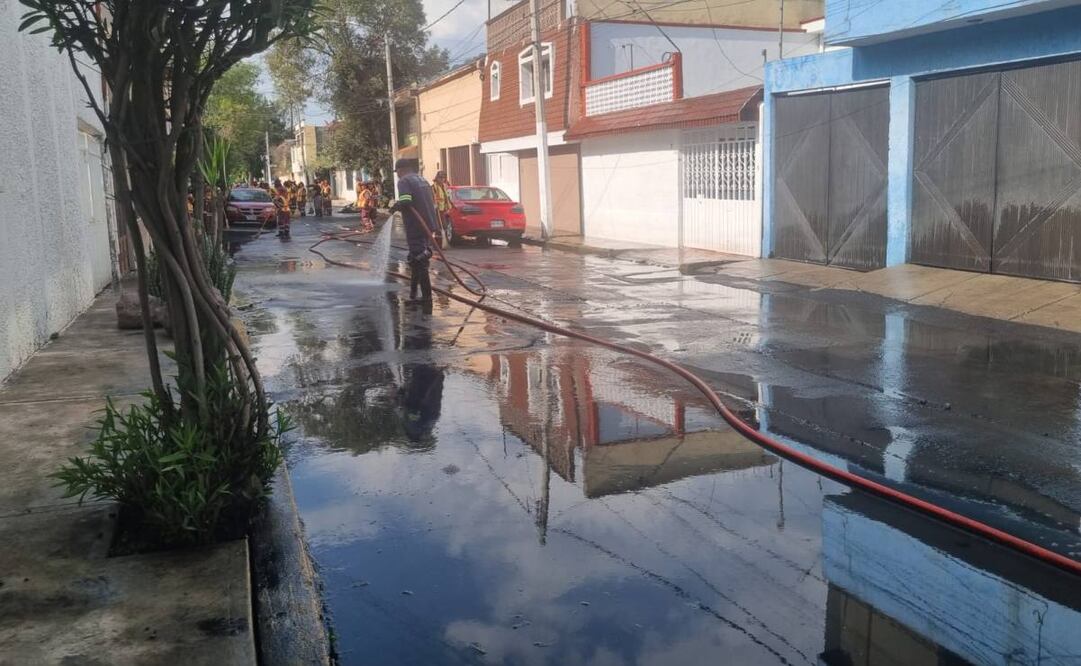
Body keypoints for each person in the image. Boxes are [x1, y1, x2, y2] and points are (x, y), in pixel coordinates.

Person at [389, 158, 441, 305]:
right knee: (415, 259)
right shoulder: (421, 179)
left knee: (419, 260)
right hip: (428, 223)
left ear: (401, 170)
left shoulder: (404, 181)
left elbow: (406, 200)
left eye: (397, 172)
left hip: (416, 225)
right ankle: (413, 295)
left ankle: (426, 298)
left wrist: (396, 206)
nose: (397, 175)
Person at [432, 171, 452, 246]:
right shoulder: (434, 187)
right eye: (440, 178)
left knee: (444, 225)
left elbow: (447, 196)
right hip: (437, 210)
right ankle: (437, 243)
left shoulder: (445, 186)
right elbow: (432, 197)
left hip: (443, 209)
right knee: (438, 226)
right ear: (437, 178)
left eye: (443, 178)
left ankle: (444, 241)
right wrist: (434, 204)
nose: (442, 179)